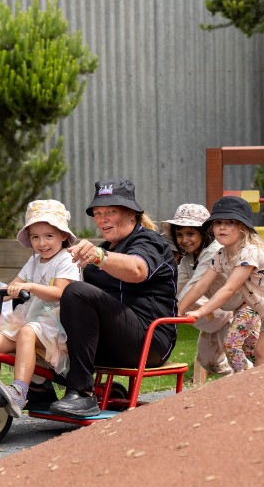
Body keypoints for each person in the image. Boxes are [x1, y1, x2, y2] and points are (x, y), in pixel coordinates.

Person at [48, 178, 178, 418]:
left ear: (131, 214)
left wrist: (100, 257)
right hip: (114, 340)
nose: (102, 219)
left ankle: (82, 395)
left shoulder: (149, 241)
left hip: (150, 341)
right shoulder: (105, 248)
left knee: (77, 291)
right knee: (41, 310)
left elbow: (137, 270)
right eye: (98, 213)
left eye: (111, 212)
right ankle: (39, 387)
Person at [0, 199, 80, 417]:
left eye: (49, 236)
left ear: (63, 235)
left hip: (59, 323)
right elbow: (6, 292)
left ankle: (19, 392)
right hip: (33, 319)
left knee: (26, 331)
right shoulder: (33, 262)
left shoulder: (67, 259)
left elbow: (62, 292)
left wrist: (31, 285)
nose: (42, 243)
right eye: (35, 237)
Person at [178, 196, 264, 366]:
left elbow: (229, 289)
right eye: (217, 223)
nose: (222, 227)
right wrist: (179, 309)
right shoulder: (220, 256)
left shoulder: (249, 252)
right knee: (261, 355)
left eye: (230, 222)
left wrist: (200, 312)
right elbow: (201, 284)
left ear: (242, 227)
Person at [162, 204, 260, 375]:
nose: (185, 240)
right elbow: (175, 287)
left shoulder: (213, 252)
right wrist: (161, 306)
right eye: (179, 235)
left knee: (242, 350)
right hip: (223, 309)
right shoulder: (188, 261)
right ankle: (234, 381)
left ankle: (253, 380)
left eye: (190, 233)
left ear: (204, 232)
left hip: (244, 306)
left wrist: (177, 311)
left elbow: (197, 285)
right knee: (209, 362)